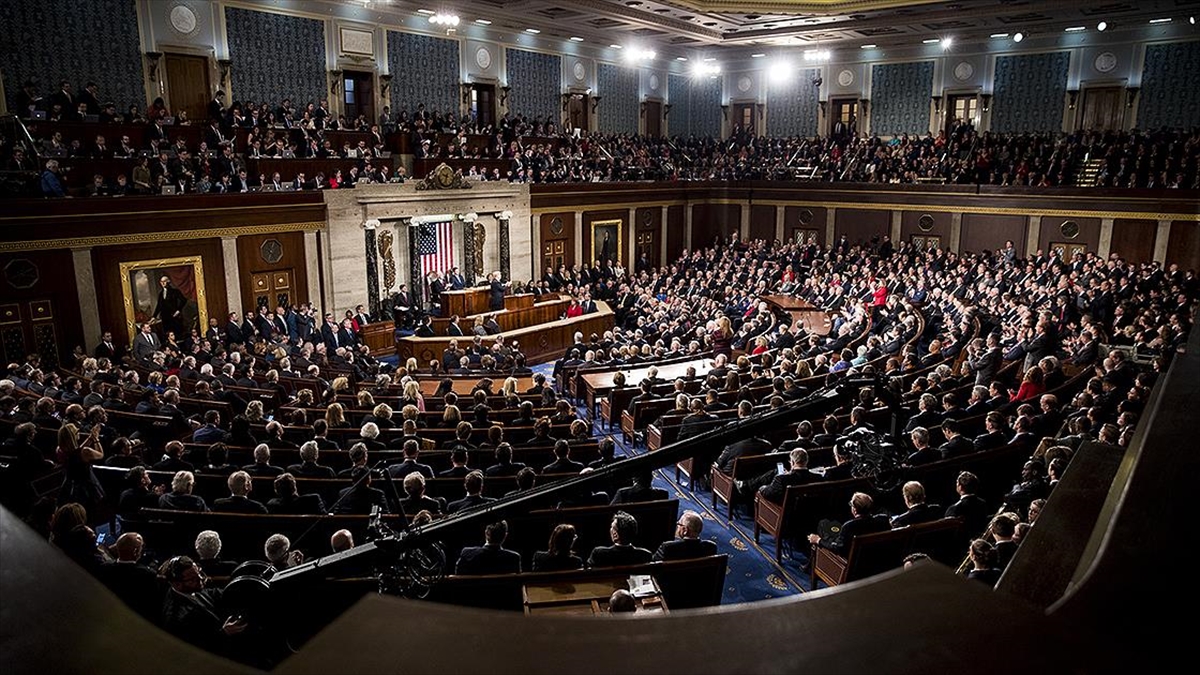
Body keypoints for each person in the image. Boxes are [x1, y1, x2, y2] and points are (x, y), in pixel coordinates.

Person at [158, 555, 247, 655]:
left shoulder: (192, 588)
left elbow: (216, 593)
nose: (201, 579)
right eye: (192, 579)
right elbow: (193, 649)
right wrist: (224, 633)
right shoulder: (175, 616)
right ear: (176, 584)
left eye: (199, 573)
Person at [807, 492, 891, 558]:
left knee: (823, 527)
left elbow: (838, 549)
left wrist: (818, 540)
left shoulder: (849, 526)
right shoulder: (882, 519)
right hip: (873, 559)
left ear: (854, 509)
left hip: (847, 563)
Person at [587, 511, 653, 568]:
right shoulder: (645, 555)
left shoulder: (599, 554)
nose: (610, 530)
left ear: (615, 534)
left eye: (612, 527)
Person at [455, 520, 522, 575]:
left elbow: (458, 575)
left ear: (486, 533)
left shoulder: (467, 553)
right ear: (505, 536)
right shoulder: (514, 558)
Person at [653, 510, 718, 561]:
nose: (677, 527)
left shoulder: (667, 547)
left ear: (685, 530)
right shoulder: (710, 547)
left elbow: (652, 565)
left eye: (679, 524)